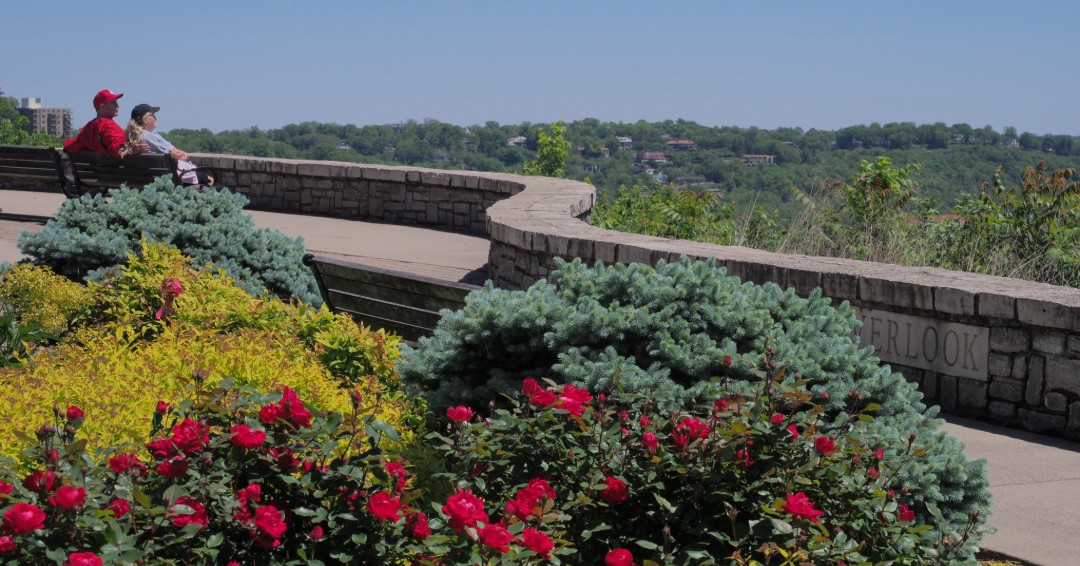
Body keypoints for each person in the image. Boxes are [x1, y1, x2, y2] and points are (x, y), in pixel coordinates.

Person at [122, 103, 214, 186]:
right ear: (145, 119)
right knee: (209, 178)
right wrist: (182, 155)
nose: (156, 118)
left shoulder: (130, 138)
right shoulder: (150, 137)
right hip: (168, 181)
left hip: (140, 181)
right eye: (153, 115)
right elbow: (178, 155)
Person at [63, 89, 149, 157]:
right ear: (102, 107)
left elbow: (73, 146)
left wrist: (66, 144)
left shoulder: (88, 128)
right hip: (117, 175)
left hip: (97, 173)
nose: (118, 105)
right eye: (113, 103)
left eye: (117, 102)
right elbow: (118, 150)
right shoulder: (109, 126)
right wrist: (131, 150)